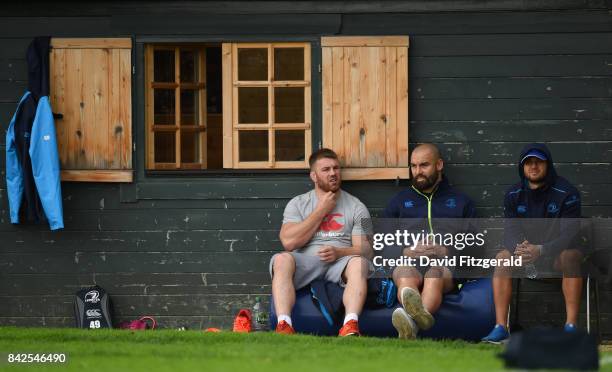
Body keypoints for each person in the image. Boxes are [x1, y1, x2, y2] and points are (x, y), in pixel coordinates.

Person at [482, 143, 583, 344]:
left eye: (539, 162)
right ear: (522, 167)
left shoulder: (567, 192)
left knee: (570, 256)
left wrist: (542, 249)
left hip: (556, 254)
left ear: (548, 165)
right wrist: (519, 249)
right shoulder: (513, 194)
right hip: (528, 255)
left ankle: (571, 326)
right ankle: (501, 328)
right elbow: (510, 232)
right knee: (502, 258)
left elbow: (569, 235)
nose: (533, 167)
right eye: (528, 163)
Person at [269, 148, 373, 336]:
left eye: (336, 168)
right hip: (306, 261)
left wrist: (339, 253)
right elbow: (288, 243)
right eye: (326, 170)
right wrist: (322, 210)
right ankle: (284, 325)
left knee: (359, 262)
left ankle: (350, 324)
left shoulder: (357, 206)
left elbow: (366, 250)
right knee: (281, 259)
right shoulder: (298, 203)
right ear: (314, 176)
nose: (333, 173)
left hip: (340, 263)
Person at [383, 144, 476, 339]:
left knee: (434, 274)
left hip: (444, 266)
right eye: (414, 166)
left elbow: (475, 245)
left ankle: (410, 325)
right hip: (409, 262)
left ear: (439, 164)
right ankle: (413, 326)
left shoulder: (461, 201)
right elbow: (381, 243)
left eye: (424, 165)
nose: (418, 172)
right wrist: (405, 251)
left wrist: (445, 251)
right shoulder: (398, 202)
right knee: (406, 275)